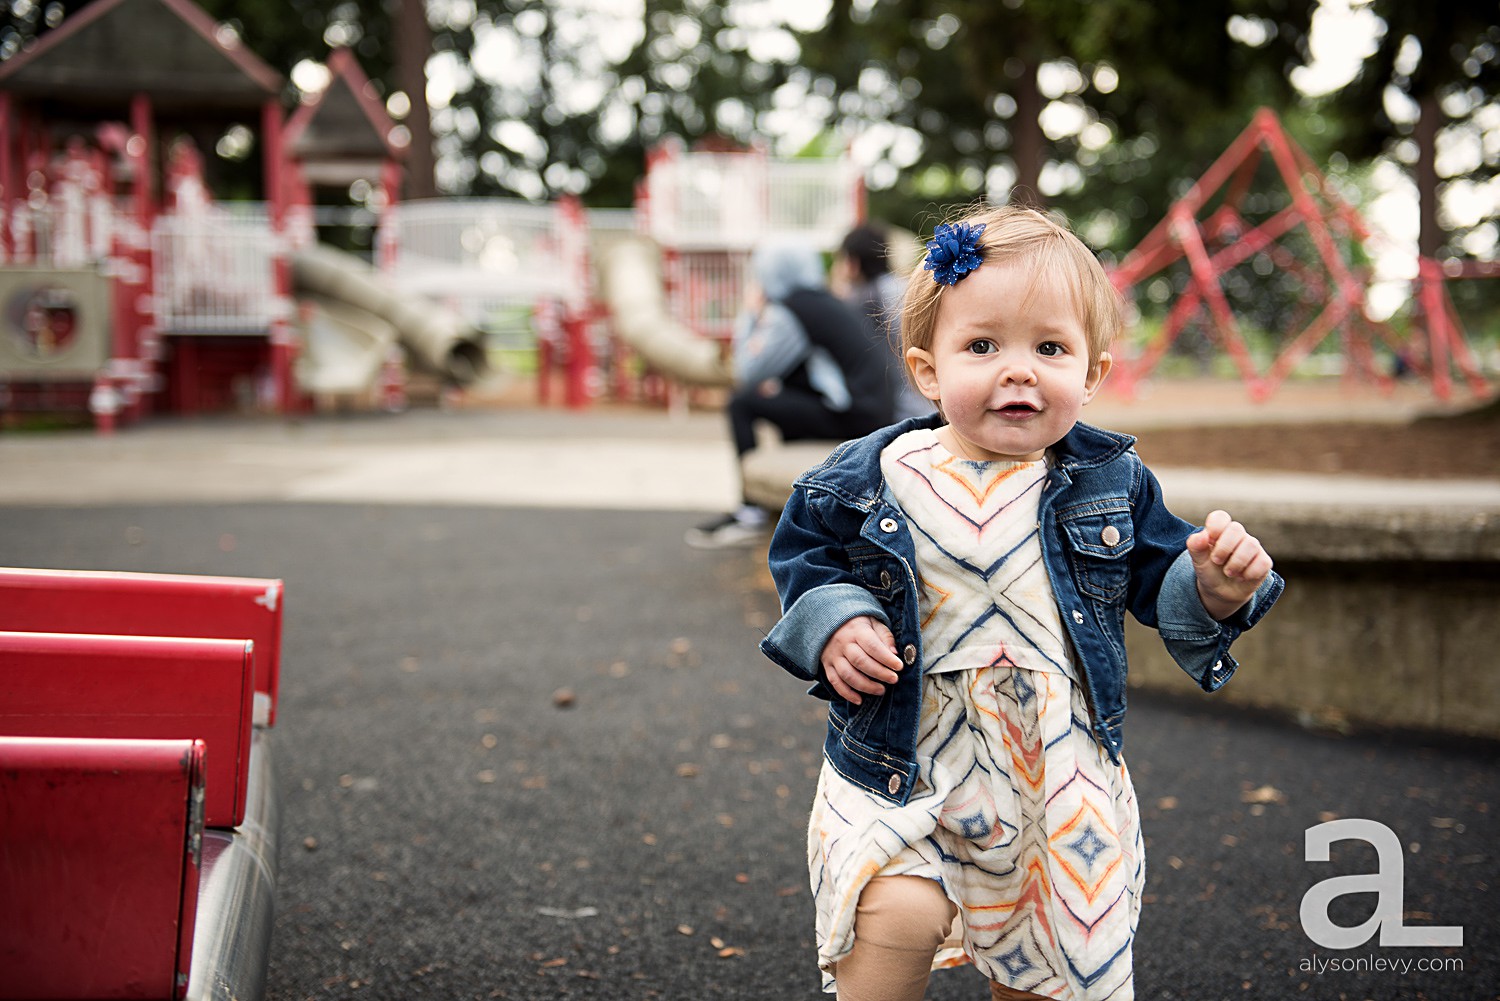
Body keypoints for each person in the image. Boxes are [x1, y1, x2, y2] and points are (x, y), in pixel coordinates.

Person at [759, 206, 1283, 1000]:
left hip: (1052, 778)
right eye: (982, 345)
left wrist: (1213, 585)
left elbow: (1158, 576)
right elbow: (806, 557)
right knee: (893, 912)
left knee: (1049, 964)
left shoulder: (1110, 482)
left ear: (1093, 373)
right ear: (927, 369)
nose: (1018, 369)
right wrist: (836, 620)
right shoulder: (868, 477)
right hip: (903, 764)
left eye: (1049, 347)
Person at [686, 240, 895, 549]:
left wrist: (750, 314)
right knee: (783, 394)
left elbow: (747, 372)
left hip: (852, 415)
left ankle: (750, 511)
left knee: (742, 404)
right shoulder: (821, 301)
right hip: (868, 412)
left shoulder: (791, 309)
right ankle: (788, 505)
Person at [834, 224, 932, 422]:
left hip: (901, 410)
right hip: (926, 400)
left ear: (852, 262)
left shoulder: (861, 299)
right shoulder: (900, 287)